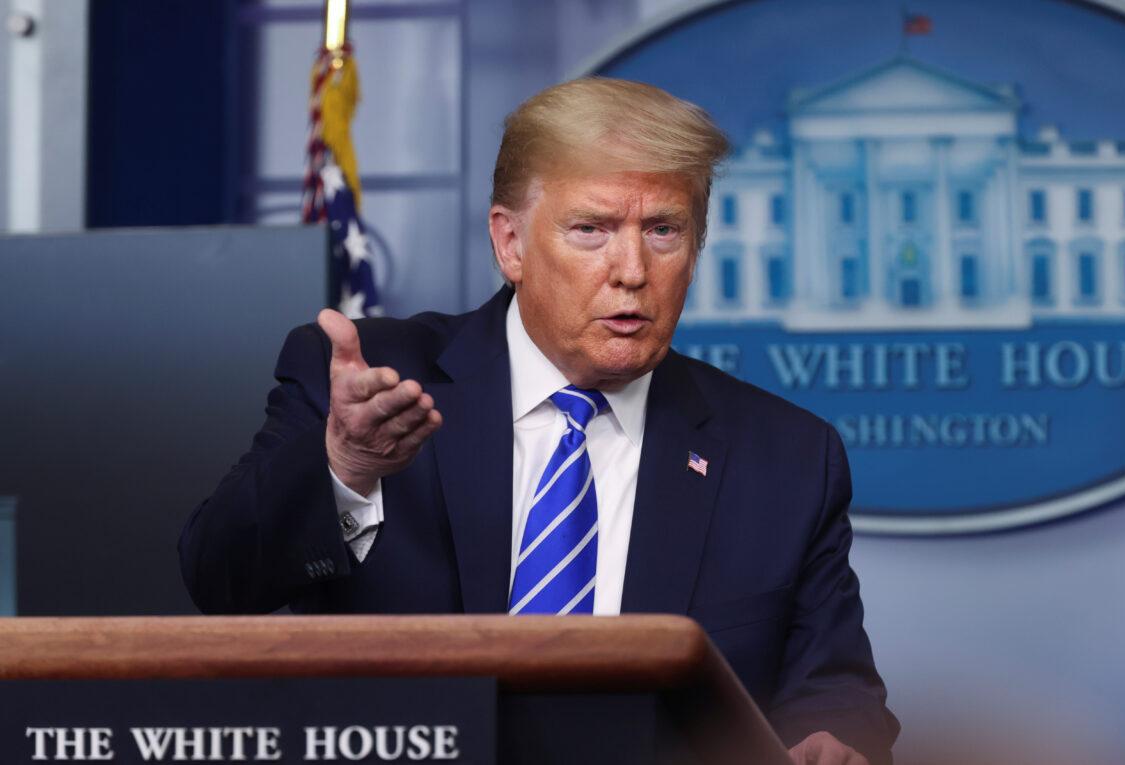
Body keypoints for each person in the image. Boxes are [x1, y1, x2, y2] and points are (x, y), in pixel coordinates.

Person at [179, 77, 899, 764]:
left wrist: (830, 735)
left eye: (664, 230)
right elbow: (218, 578)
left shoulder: (783, 457)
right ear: (511, 243)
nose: (631, 270)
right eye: (591, 228)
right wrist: (344, 465)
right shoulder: (369, 382)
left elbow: (834, 687)